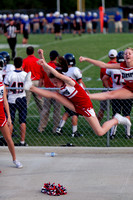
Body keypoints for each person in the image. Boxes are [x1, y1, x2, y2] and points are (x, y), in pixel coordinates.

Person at [23, 49, 131, 138]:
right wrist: (42, 59)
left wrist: (45, 63)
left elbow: (57, 74)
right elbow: (49, 72)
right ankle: (30, 87)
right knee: (54, 94)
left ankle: (117, 119)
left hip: (85, 106)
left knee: (100, 132)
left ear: (60, 78)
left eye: (56, 82)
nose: (55, 84)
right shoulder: (57, 82)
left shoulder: (69, 82)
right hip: (75, 105)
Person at [102, 50, 132, 139]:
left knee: (115, 114)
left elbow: (104, 78)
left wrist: (109, 88)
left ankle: (112, 134)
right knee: (127, 114)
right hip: (126, 93)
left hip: (115, 93)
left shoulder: (112, 67)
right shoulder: (127, 68)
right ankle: (128, 134)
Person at [56, 53, 86, 137]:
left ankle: (59, 128)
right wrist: (85, 92)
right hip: (74, 94)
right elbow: (80, 82)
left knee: (67, 111)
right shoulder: (75, 69)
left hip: (65, 93)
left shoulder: (62, 70)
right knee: (75, 113)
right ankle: (74, 132)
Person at [4, 57, 28, 146]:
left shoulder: (9, 74)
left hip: (11, 99)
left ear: (14, 64)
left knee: (11, 121)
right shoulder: (25, 74)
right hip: (22, 97)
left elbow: (6, 89)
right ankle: (22, 141)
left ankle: (9, 141)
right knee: (22, 120)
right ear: (22, 64)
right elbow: (28, 86)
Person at [0, 77, 23, 168]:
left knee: (8, 138)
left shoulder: (2, 86)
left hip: (1, 115)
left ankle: (15, 159)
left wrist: (9, 116)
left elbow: (5, 100)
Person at [38, 50, 61, 133]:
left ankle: (41, 128)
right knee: (57, 111)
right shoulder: (58, 66)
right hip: (57, 90)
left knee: (45, 110)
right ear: (56, 57)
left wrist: (39, 90)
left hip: (47, 90)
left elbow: (41, 79)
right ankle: (56, 129)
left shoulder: (46, 65)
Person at [22, 46, 44, 113]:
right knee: (40, 101)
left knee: (25, 102)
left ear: (26, 52)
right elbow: (42, 71)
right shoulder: (38, 60)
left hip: (28, 82)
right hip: (37, 82)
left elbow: (22, 70)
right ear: (33, 52)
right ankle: (45, 116)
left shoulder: (24, 61)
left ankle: (23, 117)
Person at [97, 49, 116, 122]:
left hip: (106, 90)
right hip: (115, 90)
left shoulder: (104, 66)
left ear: (108, 56)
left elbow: (102, 78)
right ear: (116, 56)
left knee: (102, 109)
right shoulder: (119, 66)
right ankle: (113, 128)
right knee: (115, 111)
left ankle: (97, 125)